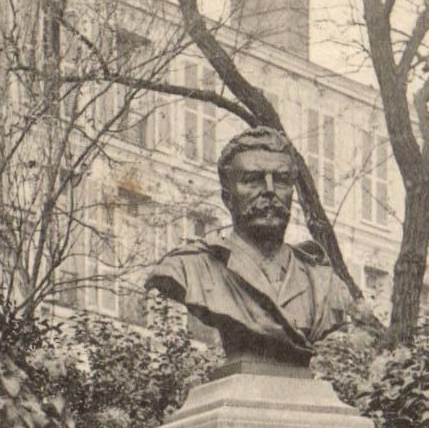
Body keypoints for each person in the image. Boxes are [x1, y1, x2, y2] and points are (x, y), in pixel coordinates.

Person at [146, 126, 353, 365]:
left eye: (282, 181)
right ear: (227, 197)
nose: (269, 191)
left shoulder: (325, 285)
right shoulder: (188, 268)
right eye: (252, 180)